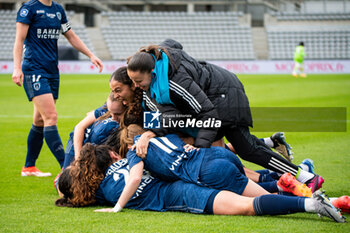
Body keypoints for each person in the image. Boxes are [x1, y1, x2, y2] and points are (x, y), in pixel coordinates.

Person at [125, 39, 322, 192]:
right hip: (217, 92)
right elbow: (174, 43)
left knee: (246, 148)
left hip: (224, 95)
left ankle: (305, 177)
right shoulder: (159, 58)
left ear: (152, 72)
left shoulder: (174, 81)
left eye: (139, 80)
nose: (136, 86)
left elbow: (207, 112)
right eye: (132, 81)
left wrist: (200, 148)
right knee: (246, 146)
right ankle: (297, 172)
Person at [54, 147, 345, 223]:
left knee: (246, 207)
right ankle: (311, 189)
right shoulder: (122, 162)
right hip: (188, 173)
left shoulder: (103, 194)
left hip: (178, 196)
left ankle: (309, 203)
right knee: (249, 185)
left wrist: (64, 193)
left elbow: (70, 191)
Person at [13, 0, 103, 177]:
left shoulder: (58, 10)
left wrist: (91, 54)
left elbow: (71, 36)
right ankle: (68, 167)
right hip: (34, 69)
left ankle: (29, 167)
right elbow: (19, 39)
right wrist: (17, 68)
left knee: (39, 120)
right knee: (51, 117)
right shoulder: (29, 9)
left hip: (52, 70)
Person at [118, 124, 311, 197]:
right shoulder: (166, 136)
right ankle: (299, 171)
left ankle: (312, 196)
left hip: (209, 168)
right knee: (252, 177)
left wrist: (118, 206)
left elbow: (135, 178)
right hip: (216, 154)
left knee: (267, 196)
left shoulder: (137, 150)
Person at [62, 93, 126, 169]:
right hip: (79, 141)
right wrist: (78, 158)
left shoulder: (132, 117)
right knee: (69, 176)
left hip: (96, 149)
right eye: (110, 112)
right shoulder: (106, 109)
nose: (113, 117)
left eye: (118, 114)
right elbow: (79, 127)